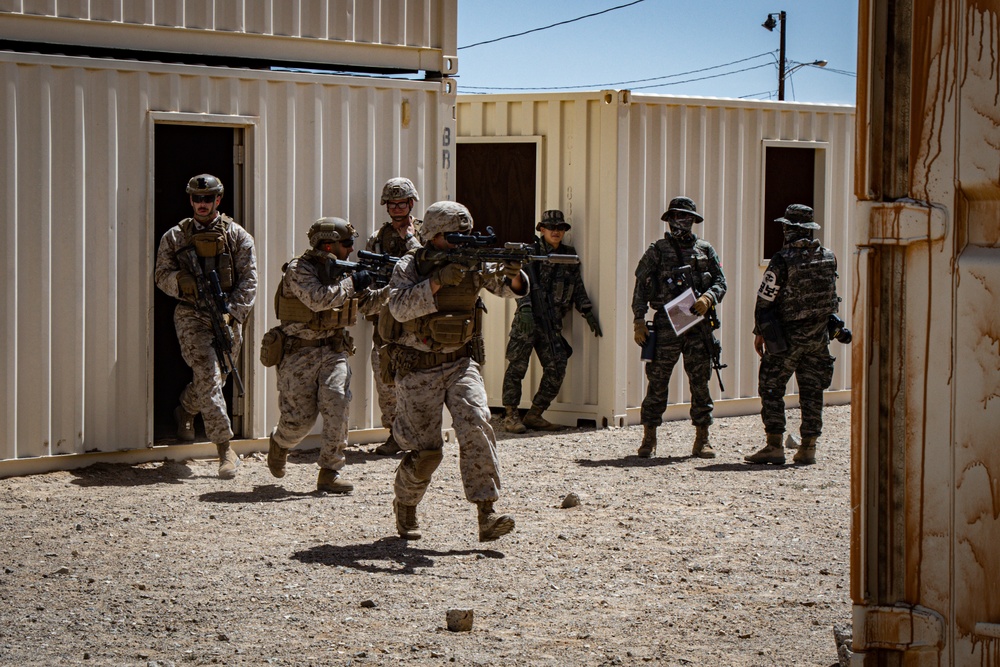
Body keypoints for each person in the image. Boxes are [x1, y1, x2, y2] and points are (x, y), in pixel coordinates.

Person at [381, 201, 527, 542]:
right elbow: (399, 308)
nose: (461, 241)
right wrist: (436, 283)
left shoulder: (474, 262)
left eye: (465, 234)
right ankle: (406, 504)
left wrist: (514, 271)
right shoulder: (411, 265)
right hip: (418, 368)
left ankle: (486, 512)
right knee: (427, 452)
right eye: (452, 236)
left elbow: (508, 289)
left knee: (477, 425)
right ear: (432, 236)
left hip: (461, 363)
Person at [265, 217, 389, 493]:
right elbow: (319, 299)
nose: (351, 250)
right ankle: (281, 442)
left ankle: (330, 471)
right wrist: (352, 283)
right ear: (329, 245)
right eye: (347, 244)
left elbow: (367, 304)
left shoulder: (344, 273)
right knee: (299, 421)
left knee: (337, 404)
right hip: (299, 353)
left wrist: (392, 288)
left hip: (333, 351)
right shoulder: (299, 269)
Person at [154, 174, 258, 479]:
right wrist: (179, 282)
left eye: (208, 199)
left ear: (218, 200)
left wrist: (231, 313)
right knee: (209, 377)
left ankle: (186, 409)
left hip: (227, 316)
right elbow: (161, 274)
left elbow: (249, 282)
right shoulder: (175, 237)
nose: (202, 204)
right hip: (191, 315)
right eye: (197, 199)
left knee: (218, 379)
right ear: (190, 200)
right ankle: (225, 449)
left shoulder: (238, 236)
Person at [631, 196, 726, 459]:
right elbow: (641, 286)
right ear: (669, 219)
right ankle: (649, 439)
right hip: (665, 325)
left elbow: (721, 282)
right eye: (676, 217)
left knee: (700, 383)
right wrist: (638, 320)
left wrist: (709, 297)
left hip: (697, 325)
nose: (680, 222)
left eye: (686, 217)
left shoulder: (705, 250)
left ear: (694, 221)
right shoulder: (657, 250)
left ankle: (703, 439)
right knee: (657, 382)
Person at [744, 204, 839, 465]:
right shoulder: (828, 257)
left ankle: (774, 445)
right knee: (812, 391)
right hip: (818, 338)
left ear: (790, 229)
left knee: (771, 387)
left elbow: (765, 300)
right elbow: (831, 299)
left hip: (786, 338)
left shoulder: (782, 260)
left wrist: (760, 332)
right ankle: (808, 448)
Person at [501, 210, 602, 433]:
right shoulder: (530, 252)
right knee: (517, 367)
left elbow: (577, 286)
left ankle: (535, 414)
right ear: (542, 230)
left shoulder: (568, 255)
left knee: (557, 366)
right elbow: (518, 282)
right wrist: (524, 307)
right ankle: (510, 416)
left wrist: (587, 311)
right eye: (551, 227)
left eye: (560, 228)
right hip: (527, 321)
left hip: (551, 322)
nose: (556, 231)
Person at [365, 178, 424, 455]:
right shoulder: (377, 239)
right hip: (387, 320)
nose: (397, 209)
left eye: (402, 203)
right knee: (386, 378)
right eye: (392, 204)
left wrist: (409, 237)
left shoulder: (423, 232)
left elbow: (426, 265)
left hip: (417, 320)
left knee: (419, 380)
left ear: (411, 204)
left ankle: (419, 436)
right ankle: (394, 434)